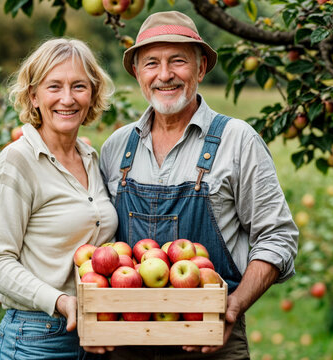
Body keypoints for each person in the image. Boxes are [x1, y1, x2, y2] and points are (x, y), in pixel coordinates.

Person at [99, 11, 299, 359]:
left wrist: (233, 307)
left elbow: (277, 237)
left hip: (214, 338)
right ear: (137, 73)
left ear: (201, 68)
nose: (165, 75)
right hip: (127, 339)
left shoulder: (237, 141)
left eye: (178, 61)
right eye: (151, 63)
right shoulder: (117, 147)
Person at [0, 38, 118, 360]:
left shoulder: (92, 159)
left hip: (99, 334)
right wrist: (60, 301)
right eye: (54, 86)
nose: (67, 99)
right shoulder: (18, 161)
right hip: (37, 337)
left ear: (92, 94)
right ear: (34, 96)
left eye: (79, 86)